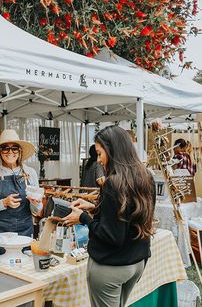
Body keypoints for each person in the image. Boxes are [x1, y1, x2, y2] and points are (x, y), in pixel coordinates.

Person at [63, 125, 155, 307]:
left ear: (112, 151)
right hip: (137, 262)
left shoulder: (113, 183)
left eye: (99, 153)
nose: (98, 160)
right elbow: (126, 214)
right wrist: (96, 207)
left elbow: (112, 235)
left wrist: (83, 218)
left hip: (111, 267)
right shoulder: (146, 176)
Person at [0, 129, 43, 262]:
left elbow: (37, 211)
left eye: (14, 148)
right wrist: (3, 203)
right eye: (5, 148)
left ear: (20, 151)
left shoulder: (31, 173)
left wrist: (35, 202)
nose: (10, 152)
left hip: (24, 235)